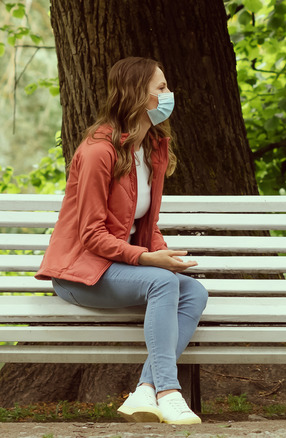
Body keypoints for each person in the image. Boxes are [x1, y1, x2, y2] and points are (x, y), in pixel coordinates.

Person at [35, 57, 208, 425]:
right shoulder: (99, 151)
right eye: (160, 89)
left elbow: (144, 224)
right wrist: (149, 261)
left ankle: (144, 390)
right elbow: (92, 236)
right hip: (80, 273)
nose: (168, 95)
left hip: (119, 267)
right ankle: (169, 392)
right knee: (162, 282)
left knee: (194, 292)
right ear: (137, 96)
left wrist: (162, 252)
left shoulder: (151, 148)